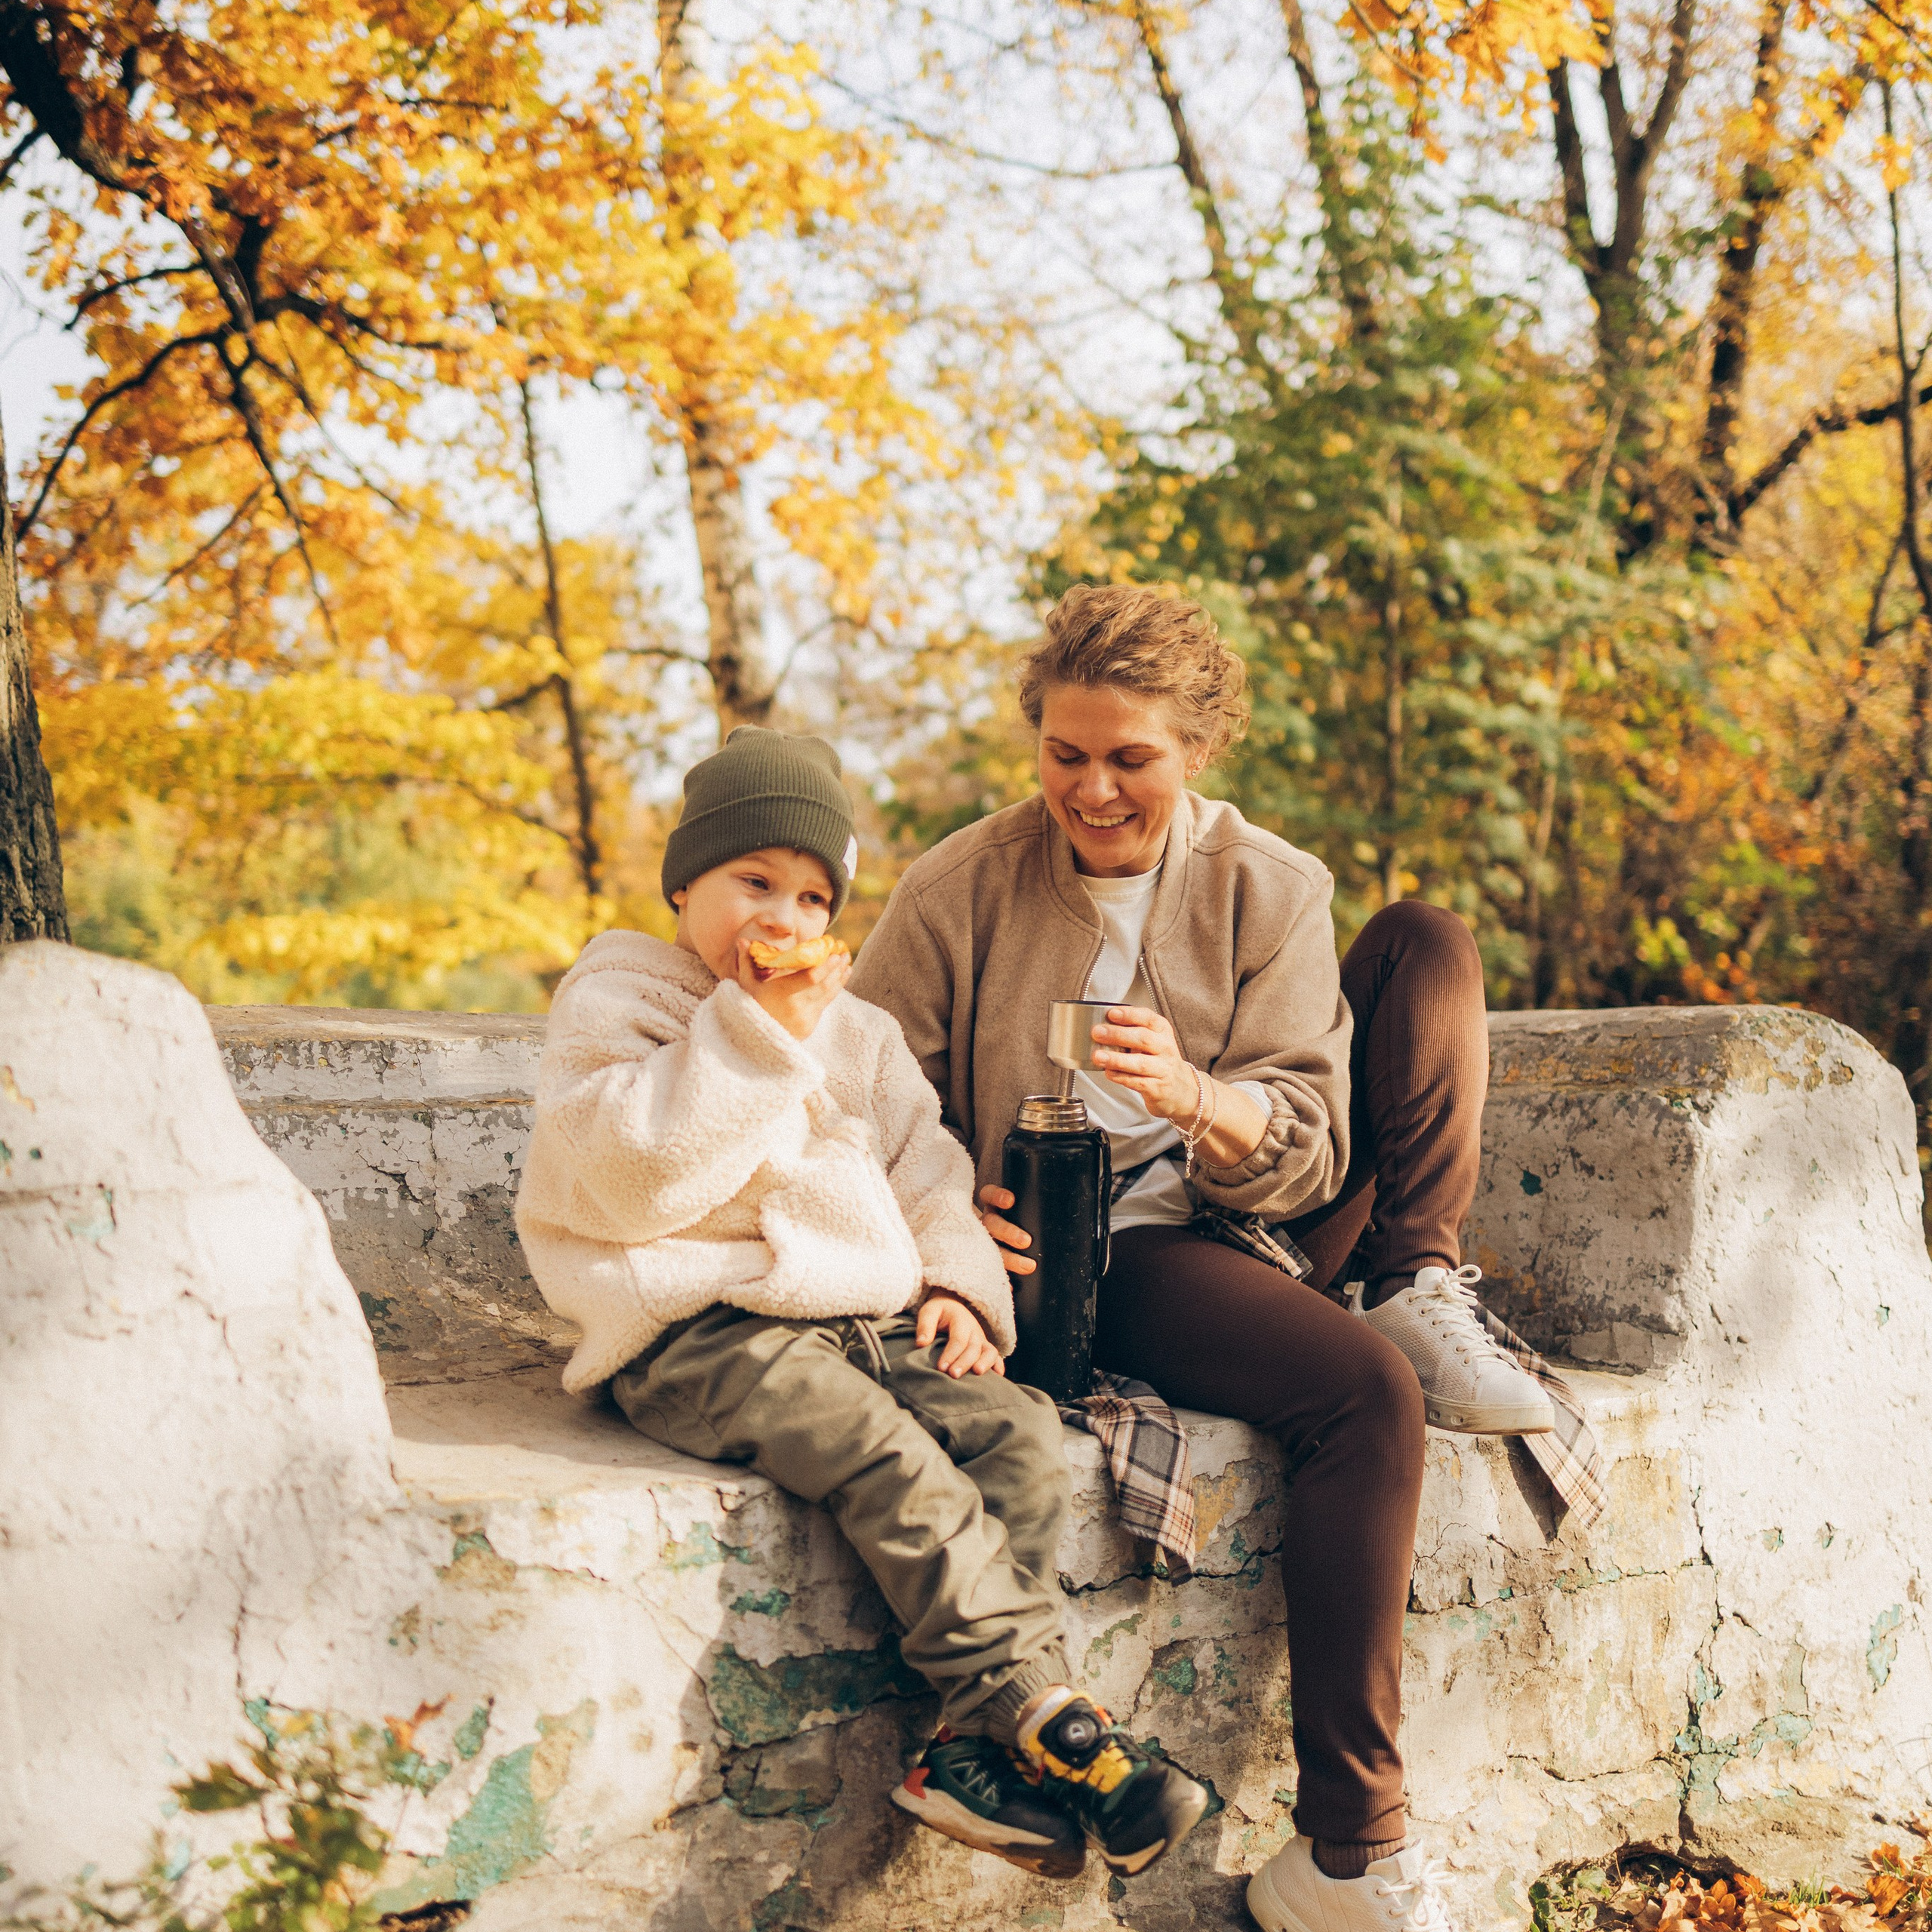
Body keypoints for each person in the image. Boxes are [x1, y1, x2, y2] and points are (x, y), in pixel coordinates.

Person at [848, 585, 1556, 1932]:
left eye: (1132, 758)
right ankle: (1351, 1856)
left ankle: (1413, 1275)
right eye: (1067, 755)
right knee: (1363, 1397)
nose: (1094, 789)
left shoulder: (1268, 886)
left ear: (1198, 745)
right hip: (1101, 1253)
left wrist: (1196, 1097)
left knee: (1426, 948)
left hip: (1263, 1209)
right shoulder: (961, 890)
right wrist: (946, 1224)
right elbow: (859, 1098)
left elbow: (1307, 1148)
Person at [514, 724, 1210, 1884]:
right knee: (888, 1459)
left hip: (859, 1319)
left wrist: (958, 1289)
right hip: (699, 1322)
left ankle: (965, 1754)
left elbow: (927, 1170)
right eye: (751, 884)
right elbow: (632, 1174)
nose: (779, 919)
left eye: (809, 894)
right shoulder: (622, 997)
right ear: (686, 883)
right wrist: (755, 1036)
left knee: (1023, 1435)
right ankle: (1057, 1724)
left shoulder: (856, 1032)